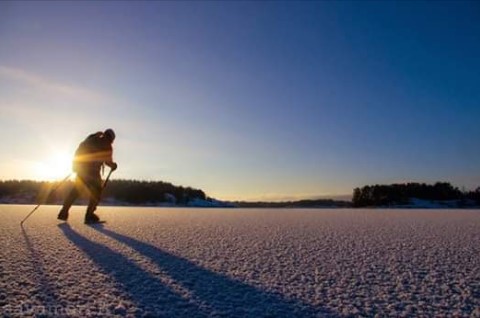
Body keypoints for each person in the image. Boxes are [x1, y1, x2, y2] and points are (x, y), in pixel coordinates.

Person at [57, 129, 118, 224]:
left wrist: (75, 165)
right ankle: (89, 215)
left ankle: (63, 212)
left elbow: (80, 149)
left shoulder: (92, 139)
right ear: (111, 139)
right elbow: (107, 161)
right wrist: (113, 165)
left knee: (76, 191)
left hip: (81, 170)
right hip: (93, 172)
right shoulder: (107, 146)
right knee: (96, 193)